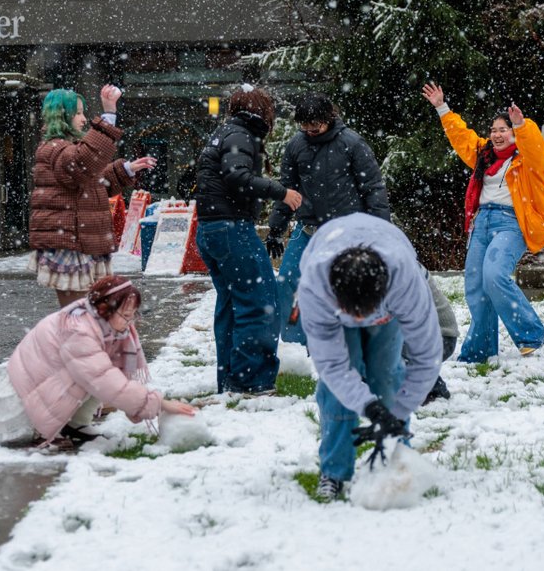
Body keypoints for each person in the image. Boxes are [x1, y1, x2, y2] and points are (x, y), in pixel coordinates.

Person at [264, 92, 455, 403]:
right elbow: (288, 189)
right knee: (289, 286)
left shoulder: (351, 143)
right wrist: (275, 227)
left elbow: (373, 188)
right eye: (306, 127)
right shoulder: (296, 146)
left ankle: (357, 355)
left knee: (351, 293)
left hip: (347, 232)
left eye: (317, 126)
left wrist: (381, 232)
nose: (311, 132)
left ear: (329, 119)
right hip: (310, 230)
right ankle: (300, 354)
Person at [298, 213, 443, 500]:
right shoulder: (314, 289)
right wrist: (369, 408)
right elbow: (333, 366)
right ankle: (335, 472)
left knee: (387, 375)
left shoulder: (405, 281)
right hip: (333, 309)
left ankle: (395, 458)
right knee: (336, 390)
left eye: (365, 313)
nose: (360, 319)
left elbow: (427, 358)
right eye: (354, 314)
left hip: (385, 311)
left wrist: (394, 416)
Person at [421, 82, 544, 363]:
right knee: (475, 284)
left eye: (503, 130)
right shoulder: (483, 155)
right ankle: (481, 348)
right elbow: (462, 138)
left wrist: (522, 126)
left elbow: (538, 149)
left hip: (510, 223)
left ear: (513, 133)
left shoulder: (527, 160)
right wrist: (441, 107)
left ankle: (530, 334)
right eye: (494, 130)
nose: (497, 135)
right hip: (481, 222)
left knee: (495, 274)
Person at [0, 275, 197, 450]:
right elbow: (105, 381)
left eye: (133, 314)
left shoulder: (100, 321)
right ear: (105, 308)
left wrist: (139, 403)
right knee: (95, 375)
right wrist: (159, 404)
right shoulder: (78, 331)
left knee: (96, 371)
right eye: (125, 315)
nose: (130, 322)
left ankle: (73, 424)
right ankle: (44, 428)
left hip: (39, 388)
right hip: (18, 411)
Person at [194, 84, 302, 395]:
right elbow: (236, 176)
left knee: (230, 304)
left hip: (211, 229)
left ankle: (229, 378)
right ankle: (252, 380)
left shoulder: (224, 132)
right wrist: (281, 191)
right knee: (260, 303)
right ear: (261, 113)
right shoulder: (240, 135)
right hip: (232, 230)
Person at [28, 85, 157, 307]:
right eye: (77, 113)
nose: (83, 118)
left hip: (79, 243)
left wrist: (126, 169)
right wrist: (108, 117)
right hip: (71, 245)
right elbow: (83, 164)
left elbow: (91, 181)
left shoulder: (63, 149)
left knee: (86, 315)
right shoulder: (55, 149)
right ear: (62, 116)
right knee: (80, 316)